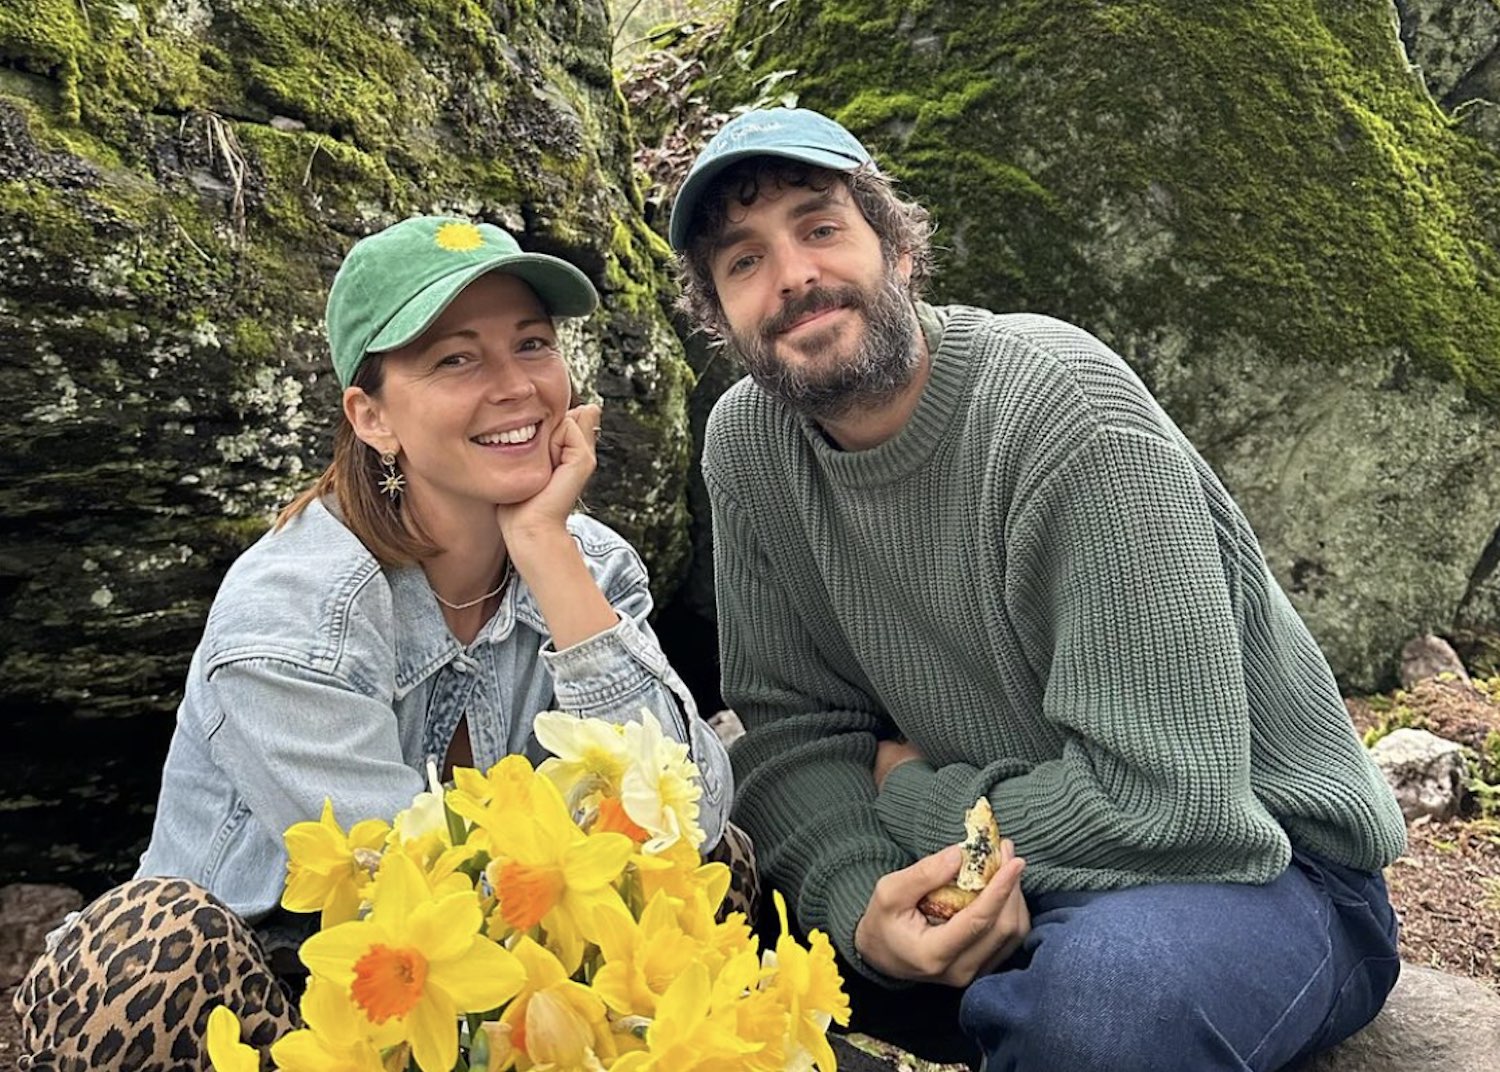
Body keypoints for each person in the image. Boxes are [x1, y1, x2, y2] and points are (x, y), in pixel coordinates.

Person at [669, 107, 1408, 1072]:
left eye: (820, 228)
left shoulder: (1064, 415)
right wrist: (866, 915)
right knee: (697, 954)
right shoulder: (749, 448)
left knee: (1100, 1011)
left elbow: (1169, 803)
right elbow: (794, 736)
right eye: (744, 262)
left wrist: (913, 799)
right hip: (1017, 858)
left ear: (895, 248)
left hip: (1260, 864)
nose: (795, 278)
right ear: (722, 317)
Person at [15, 216, 741, 1070]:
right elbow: (406, 894)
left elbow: (692, 816)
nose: (517, 387)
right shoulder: (292, 612)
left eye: (533, 344)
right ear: (371, 416)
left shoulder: (591, 563)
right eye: (456, 358)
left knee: (720, 871)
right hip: (261, 990)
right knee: (142, 949)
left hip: (479, 973)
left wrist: (546, 552)